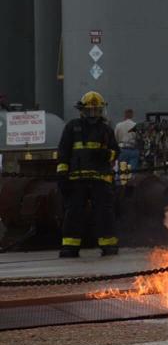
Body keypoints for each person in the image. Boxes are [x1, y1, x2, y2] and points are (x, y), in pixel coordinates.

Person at [56, 91, 120, 257]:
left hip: (101, 179)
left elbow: (115, 151)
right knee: (73, 213)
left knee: (104, 213)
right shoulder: (72, 127)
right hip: (77, 180)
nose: (93, 114)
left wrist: (107, 155)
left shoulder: (106, 130)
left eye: (96, 111)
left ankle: (109, 246)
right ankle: (70, 247)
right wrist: (62, 174)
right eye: (90, 111)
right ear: (82, 111)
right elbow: (63, 151)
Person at [114, 108, 139, 183]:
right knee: (132, 171)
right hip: (133, 150)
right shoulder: (135, 125)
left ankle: (120, 186)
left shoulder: (119, 125)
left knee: (122, 171)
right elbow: (138, 138)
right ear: (132, 115)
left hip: (122, 150)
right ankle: (131, 186)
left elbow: (116, 138)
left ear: (125, 114)